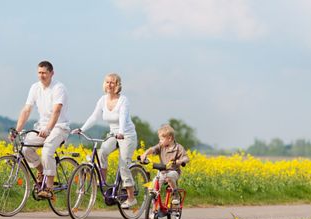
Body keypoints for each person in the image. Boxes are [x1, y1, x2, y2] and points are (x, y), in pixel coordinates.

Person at [72, 73, 138, 209]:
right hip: (113, 134)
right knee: (102, 152)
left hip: (127, 134)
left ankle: (131, 198)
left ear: (118, 85)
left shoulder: (123, 100)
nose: (109, 85)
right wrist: (82, 129)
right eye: (107, 82)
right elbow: (94, 117)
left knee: (123, 164)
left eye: (112, 82)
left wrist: (121, 132)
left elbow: (123, 118)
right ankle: (102, 182)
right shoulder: (102, 100)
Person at [10, 60, 70, 199]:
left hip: (59, 127)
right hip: (41, 127)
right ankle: (42, 172)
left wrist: (49, 129)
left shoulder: (58, 88)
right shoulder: (35, 88)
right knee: (25, 149)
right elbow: (27, 110)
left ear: (51, 73)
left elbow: (56, 111)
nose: (41, 76)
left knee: (48, 150)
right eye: (39, 73)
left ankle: (49, 188)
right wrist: (17, 130)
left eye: (44, 73)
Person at [139, 124, 189, 196]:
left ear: (169, 138)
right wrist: (145, 154)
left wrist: (180, 161)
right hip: (162, 172)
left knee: (169, 178)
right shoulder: (161, 146)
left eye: (162, 139)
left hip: (174, 171)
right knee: (152, 187)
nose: (160, 141)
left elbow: (186, 158)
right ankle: (153, 204)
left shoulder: (178, 148)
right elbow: (153, 149)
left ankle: (175, 195)